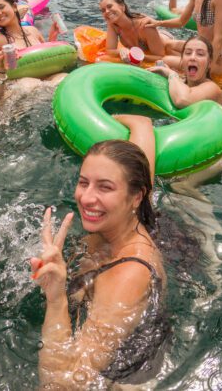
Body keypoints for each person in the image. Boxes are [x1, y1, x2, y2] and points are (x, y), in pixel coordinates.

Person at [30, 114, 168, 387]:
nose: (87, 198)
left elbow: (64, 385)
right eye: (83, 182)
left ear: (135, 197)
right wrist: (140, 125)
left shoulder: (129, 275)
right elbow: (140, 173)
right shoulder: (122, 215)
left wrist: (56, 298)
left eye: (104, 187)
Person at [149, 35, 222, 106]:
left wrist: (171, 74)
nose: (192, 57)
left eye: (200, 54)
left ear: (209, 63)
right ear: (182, 59)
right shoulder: (181, 80)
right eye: (188, 53)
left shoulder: (212, 89)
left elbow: (182, 100)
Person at [100, 0, 175, 63]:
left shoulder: (144, 25)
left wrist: (139, 56)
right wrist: (121, 51)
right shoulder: (113, 25)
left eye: (110, 6)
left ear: (122, 6)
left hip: (165, 42)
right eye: (103, 10)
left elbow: (160, 57)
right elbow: (110, 50)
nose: (106, 11)